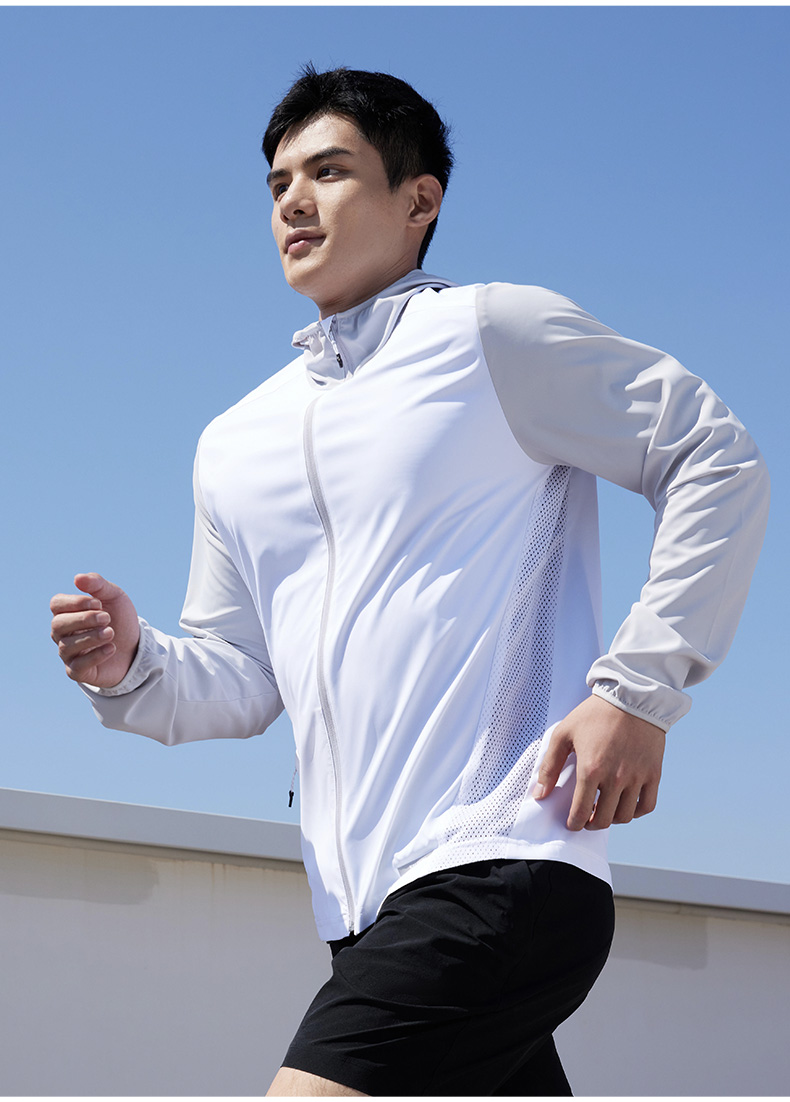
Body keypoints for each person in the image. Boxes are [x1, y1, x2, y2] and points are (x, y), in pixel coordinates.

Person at [50, 65, 769, 1097]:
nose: (293, 201)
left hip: (502, 863)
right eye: (277, 182)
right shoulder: (235, 440)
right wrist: (133, 665)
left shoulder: (492, 334)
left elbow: (713, 456)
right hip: (361, 914)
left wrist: (636, 692)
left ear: (419, 199)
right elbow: (244, 675)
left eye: (329, 171)